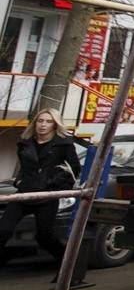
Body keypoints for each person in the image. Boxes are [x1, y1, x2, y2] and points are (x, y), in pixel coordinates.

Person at [0, 108, 80, 267]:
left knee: (44, 237)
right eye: (40, 121)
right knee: (3, 231)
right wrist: (19, 182)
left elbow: (74, 170)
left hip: (47, 196)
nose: (43, 125)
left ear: (55, 125)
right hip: (24, 194)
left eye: (49, 121)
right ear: (35, 123)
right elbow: (23, 168)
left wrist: (51, 183)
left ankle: (69, 265)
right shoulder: (24, 143)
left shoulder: (64, 144)